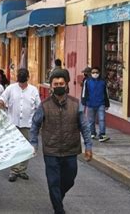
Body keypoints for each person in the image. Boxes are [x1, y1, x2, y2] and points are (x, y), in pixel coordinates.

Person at [30, 70, 93, 214]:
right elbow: (34, 125)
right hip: (51, 151)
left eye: (61, 83)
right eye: (55, 84)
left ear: (66, 85)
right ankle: (59, 209)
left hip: (71, 150)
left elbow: (84, 126)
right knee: (53, 183)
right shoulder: (44, 105)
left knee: (69, 180)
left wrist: (88, 146)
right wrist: (34, 144)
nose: (59, 86)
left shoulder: (75, 104)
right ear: (51, 87)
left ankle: (57, 197)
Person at [0, 68, 40, 182]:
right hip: (13, 124)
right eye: (19, 75)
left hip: (28, 124)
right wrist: (0, 106)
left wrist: (39, 122)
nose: (21, 77)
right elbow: (2, 100)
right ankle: (14, 171)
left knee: (26, 148)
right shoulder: (11, 88)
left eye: (23, 75)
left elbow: (38, 106)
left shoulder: (33, 90)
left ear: (27, 77)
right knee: (14, 148)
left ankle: (22, 170)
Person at [81, 67, 111, 142]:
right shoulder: (87, 81)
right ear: (91, 73)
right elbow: (84, 92)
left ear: (99, 73)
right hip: (90, 103)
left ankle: (102, 135)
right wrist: (84, 102)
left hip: (101, 103)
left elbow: (106, 93)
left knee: (102, 119)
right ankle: (92, 133)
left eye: (96, 72)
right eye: (93, 72)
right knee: (91, 120)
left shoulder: (103, 81)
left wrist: (107, 104)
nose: (95, 74)